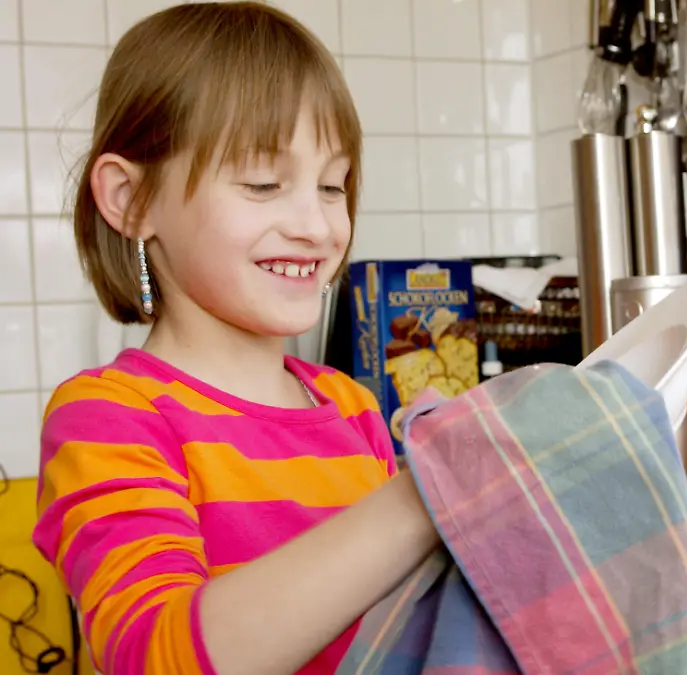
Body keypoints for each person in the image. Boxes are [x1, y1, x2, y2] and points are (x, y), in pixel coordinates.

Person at [31, 3, 440, 674]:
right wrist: (422, 500)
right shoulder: (109, 419)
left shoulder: (352, 407)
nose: (316, 225)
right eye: (262, 183)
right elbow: (155, 656)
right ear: (130, 199)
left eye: (333, 185)